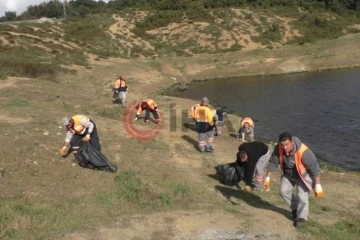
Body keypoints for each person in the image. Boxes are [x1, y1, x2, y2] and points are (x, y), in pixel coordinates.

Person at [263, 132, 324, 229]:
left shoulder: (304, 151)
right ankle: (295, 209)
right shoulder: (278, 148)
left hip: (302, 177)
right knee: (283, 191)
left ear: (292, 142)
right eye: (282, 145)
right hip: (288, 175)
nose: (285, 147)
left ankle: (302, 218)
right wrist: (267, 178)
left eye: (287, 144)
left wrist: (318, 186)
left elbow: (315, 168)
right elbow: (273, 163)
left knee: (303, 198)